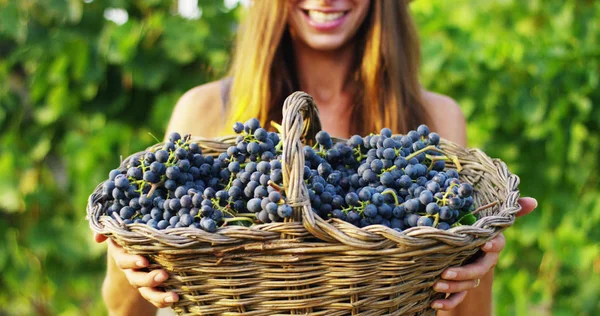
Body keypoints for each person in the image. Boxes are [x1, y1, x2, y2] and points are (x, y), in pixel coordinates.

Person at [95, 1, 538, 315]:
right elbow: (123, 310)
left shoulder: (435, 120)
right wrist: (130, 258)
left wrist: (477, 255)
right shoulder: (204, 109)